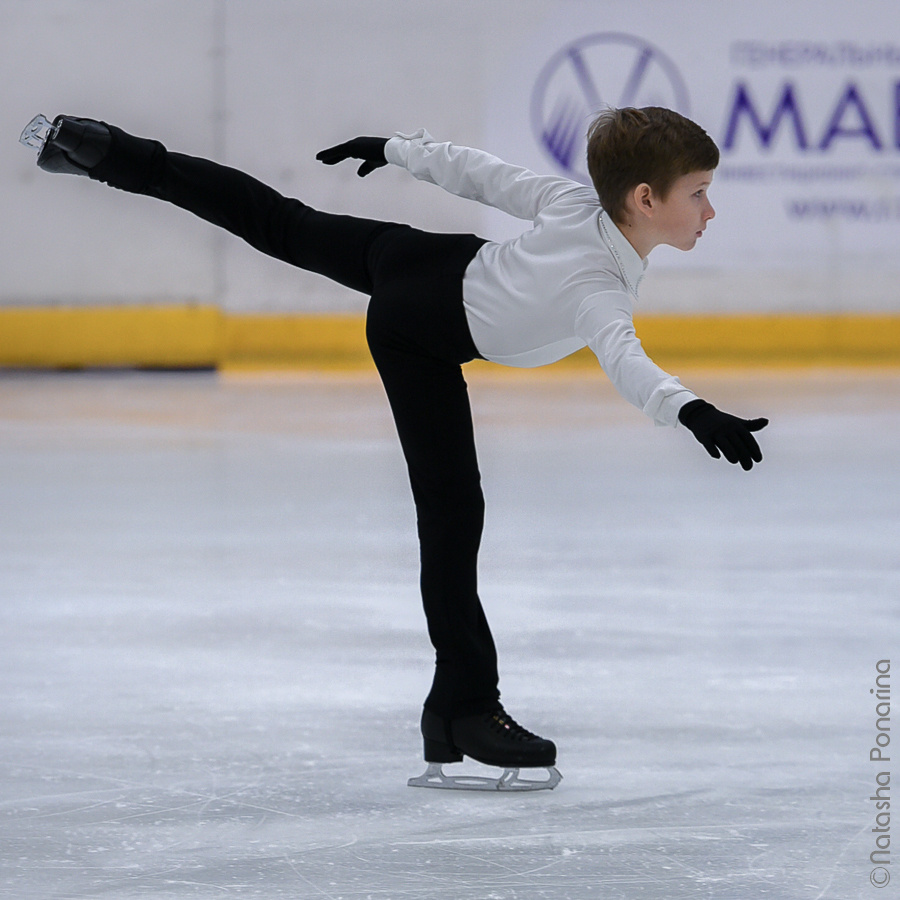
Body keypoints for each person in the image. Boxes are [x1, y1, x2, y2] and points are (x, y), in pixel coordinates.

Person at [22, 107, 767, 791]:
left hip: (416, 258)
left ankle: (105, 152)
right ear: (644, 198)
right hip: (420, 331)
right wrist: (692, 410)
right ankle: (465, 706)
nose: (710, 209)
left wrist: (396, 150)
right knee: (452, 518)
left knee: (278, 222)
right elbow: (625, 358)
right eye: (699, 192)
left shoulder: (576, 204)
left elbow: (483, 174)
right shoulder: (598, 283)